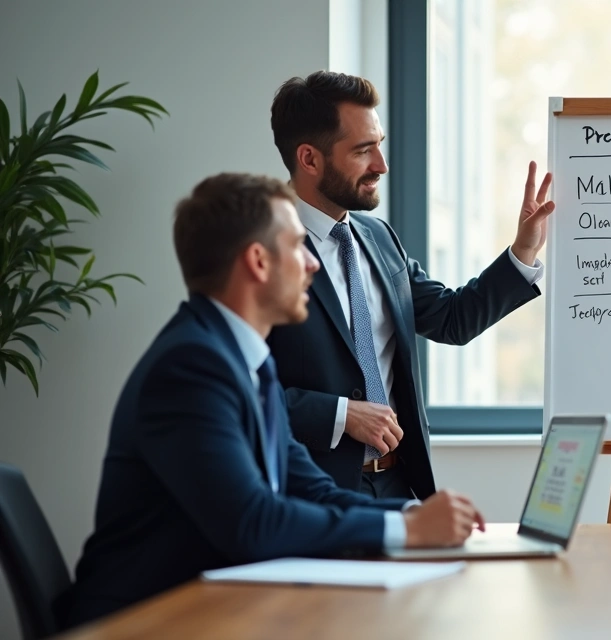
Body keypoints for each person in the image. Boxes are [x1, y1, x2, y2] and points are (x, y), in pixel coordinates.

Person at [57, 173, 486, 629]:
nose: (313, 264)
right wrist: (408, 531)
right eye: (298, 245)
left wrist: (412, 512)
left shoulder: (248, 362)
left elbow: (312, 489)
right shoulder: (190, 369)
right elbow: (253, 523)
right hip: (141, 622)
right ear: (258, 262)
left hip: (211, 611)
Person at [265, 71, 553, 499]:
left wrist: (523, 251)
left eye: (378, 144)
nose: (381, 164)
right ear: (309, 159)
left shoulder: (379, 238)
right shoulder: (262, 252)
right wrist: (341, 414)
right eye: (364, 151)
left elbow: (453, 319)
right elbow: (241, 393)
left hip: (400, 485)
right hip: (313, 495)